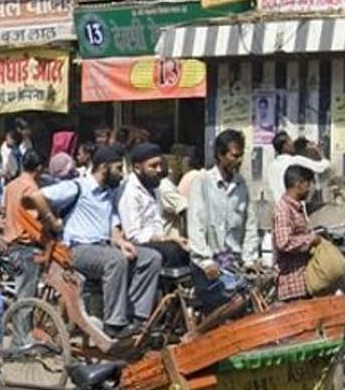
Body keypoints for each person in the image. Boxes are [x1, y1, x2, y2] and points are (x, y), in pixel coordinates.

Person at [31, 144, 161, 339]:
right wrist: (52, 221)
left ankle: (136, 317)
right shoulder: (77, 187)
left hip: (103, 247)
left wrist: (121, 241)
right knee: (115, 260)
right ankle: (114, 324)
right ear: (103, 168)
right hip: (77, 250)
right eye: (118, 169)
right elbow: (36, 196)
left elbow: (113, 226)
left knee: (151, 257)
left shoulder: (108, 193)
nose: (121, 174)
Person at [187, 129, 260, 277]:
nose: (239, 161)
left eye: (241, 156)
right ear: (220, 155)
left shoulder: (241, 184)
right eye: (234, 156)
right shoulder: (202, 182)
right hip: (208, 264)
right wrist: (205, 261)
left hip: (234, 262)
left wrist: (249, 259)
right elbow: (196, 224)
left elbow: (250, 224)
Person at [119, 142, 187, 267]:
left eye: (160, 165)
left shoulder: (154, 186)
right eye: (153, 166)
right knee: (172, 252)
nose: (159, 170)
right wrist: (166, 239)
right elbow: (134, 236)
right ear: (138, 168)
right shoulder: (129, 191)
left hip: (159, 240)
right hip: (138, 246)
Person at [0, 149, 49, 306]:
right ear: (40, 168)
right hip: (27, 247)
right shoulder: (32, 190)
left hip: (12, 246)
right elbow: (36, 219)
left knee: (22, 294)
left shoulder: (10, 186)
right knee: (26, 299)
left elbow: (3, 211)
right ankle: (22, 331)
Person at [272, 165, 319, 302]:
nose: (310, 189)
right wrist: (310, 240)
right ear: (298, 184)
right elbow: (283, 242)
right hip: (291, 284)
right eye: (308, 184)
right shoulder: (283, 210)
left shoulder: (298, 208)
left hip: (302, 280)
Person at [267, 130, 330, 204]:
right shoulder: (295, 160)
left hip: (280, 209)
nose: (293, 144)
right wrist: (318, 151)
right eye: (290, 141)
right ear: (285, 146)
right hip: (294, 209)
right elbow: (322, 167)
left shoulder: (271, 166)